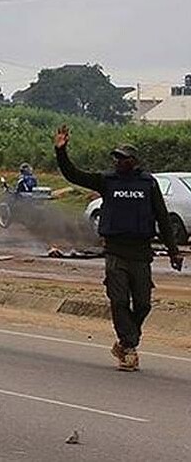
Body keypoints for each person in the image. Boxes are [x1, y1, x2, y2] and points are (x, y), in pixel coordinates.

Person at [53, 124, 183, 371]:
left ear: (133, 162)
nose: (117, 162)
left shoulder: (148, 184)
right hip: (115, 252)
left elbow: (163, 218)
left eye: (122, 158)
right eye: (116, 158)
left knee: (143, 304)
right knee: (119, 300)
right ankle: (129, 349)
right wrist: (61, 151)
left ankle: (125, 342)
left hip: (141, 253)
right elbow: (73, 175)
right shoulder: (107, 181)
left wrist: (174, 251)